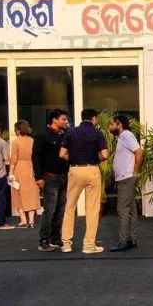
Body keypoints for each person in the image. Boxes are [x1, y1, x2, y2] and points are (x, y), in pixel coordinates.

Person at [59, 108, 108, 254]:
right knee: (92, 209)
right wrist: (95, 158)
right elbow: (105, 154)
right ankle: (89, 245)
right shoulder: (97, 133)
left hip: (75, 169)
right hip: (92, 169)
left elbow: (62, 154)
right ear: (94, 118)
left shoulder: (71, 132)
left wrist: (73, 159)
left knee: (70, 207)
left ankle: (66, 244)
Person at [33, 109, 70, 252]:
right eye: (63, 119)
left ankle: (55, 238)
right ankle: (44, 240)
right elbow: (36, 157)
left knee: (60, 209)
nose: (66, 122)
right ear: (54, 120)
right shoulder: (42, 136)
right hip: (49, 176)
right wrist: (38, 177)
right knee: (49, 209)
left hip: (63, 176)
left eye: (66, 120)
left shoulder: (65, 135)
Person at [108, 114, 142, 252]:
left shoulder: (127, 135)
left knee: (122, 209)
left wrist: (135, 171)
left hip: (126, 178)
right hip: (124, 178)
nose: (109, 127)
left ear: (119, 124)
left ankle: (123, 240)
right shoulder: (123, 137)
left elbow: (139, 152)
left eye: (111, 124)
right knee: (131, 209)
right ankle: (131, 239)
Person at [10, 121, 40, 229]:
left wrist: (10, 173)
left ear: (18, 130)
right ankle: (31, 220)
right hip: (31, 167)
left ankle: (23, 220)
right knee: (31, 193)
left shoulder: (16, 142)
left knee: (18, 194)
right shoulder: (32, 141)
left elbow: (13, 160)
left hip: (19, 168)